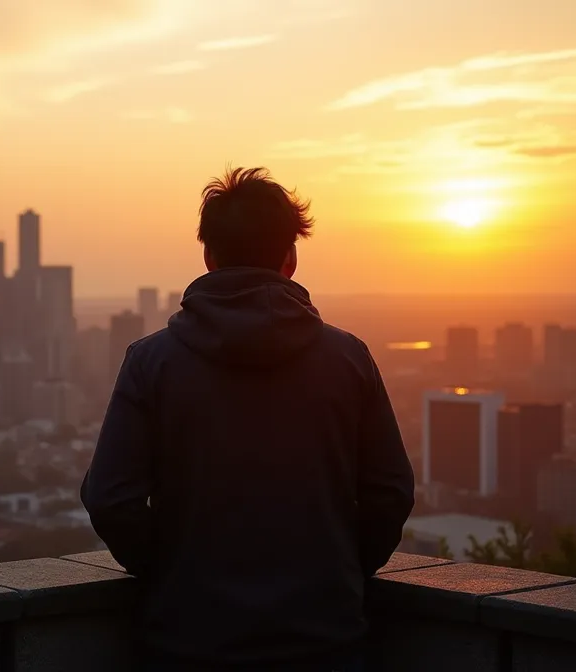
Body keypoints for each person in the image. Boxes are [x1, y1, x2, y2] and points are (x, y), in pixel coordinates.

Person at [81, 167, 415, 671]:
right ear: (291, 257)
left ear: (209, 256)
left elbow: (110, 499)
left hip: (186, 644)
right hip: (328, 643)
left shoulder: (152, 362)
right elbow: (390, 492)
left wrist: (174, 575)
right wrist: (338, 573)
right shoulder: (348, 359)